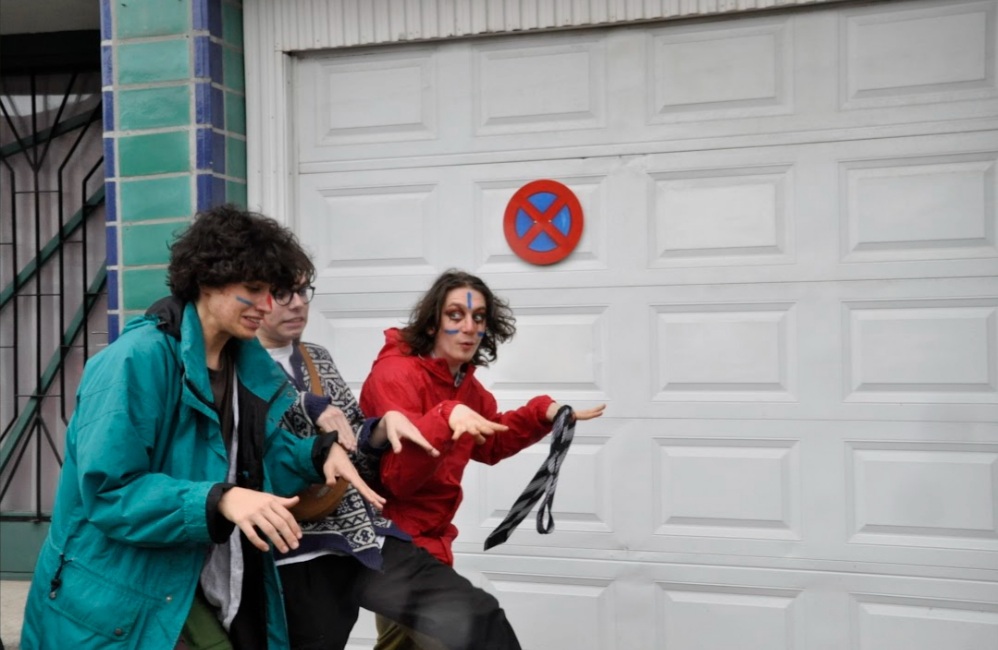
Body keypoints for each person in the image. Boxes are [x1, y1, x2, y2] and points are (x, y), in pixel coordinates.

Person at [20, 205, 382, 650]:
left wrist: (316, 455)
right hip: (114, 598)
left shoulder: (244, 366)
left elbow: (253, 466)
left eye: (273, 291)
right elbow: (110, 492)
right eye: (254, 289)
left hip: (193, 581)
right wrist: (220, 499)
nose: (268, 306)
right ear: (209, 280)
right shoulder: (134, 361)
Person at [256, 276, 526, 650]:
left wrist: (380, 430)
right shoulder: (235, 363)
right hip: (293, 545)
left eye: (303, 291)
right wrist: (310, 414)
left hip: (360, 534)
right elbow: (249, 450)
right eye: (283, 293)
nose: (299, 303)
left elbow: (356, 446)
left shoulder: (316, 357)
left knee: (478, 618)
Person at [359, 269, 605, 650]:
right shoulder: (395, 375)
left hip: (431, 544)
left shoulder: (466, 387)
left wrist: (543, 413)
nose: (469, 327)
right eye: (455, 315)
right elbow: (398, 479)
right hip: (394, 546)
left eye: (478, 317)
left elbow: (490, 443)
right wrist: (445, 417)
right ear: (431, 323)